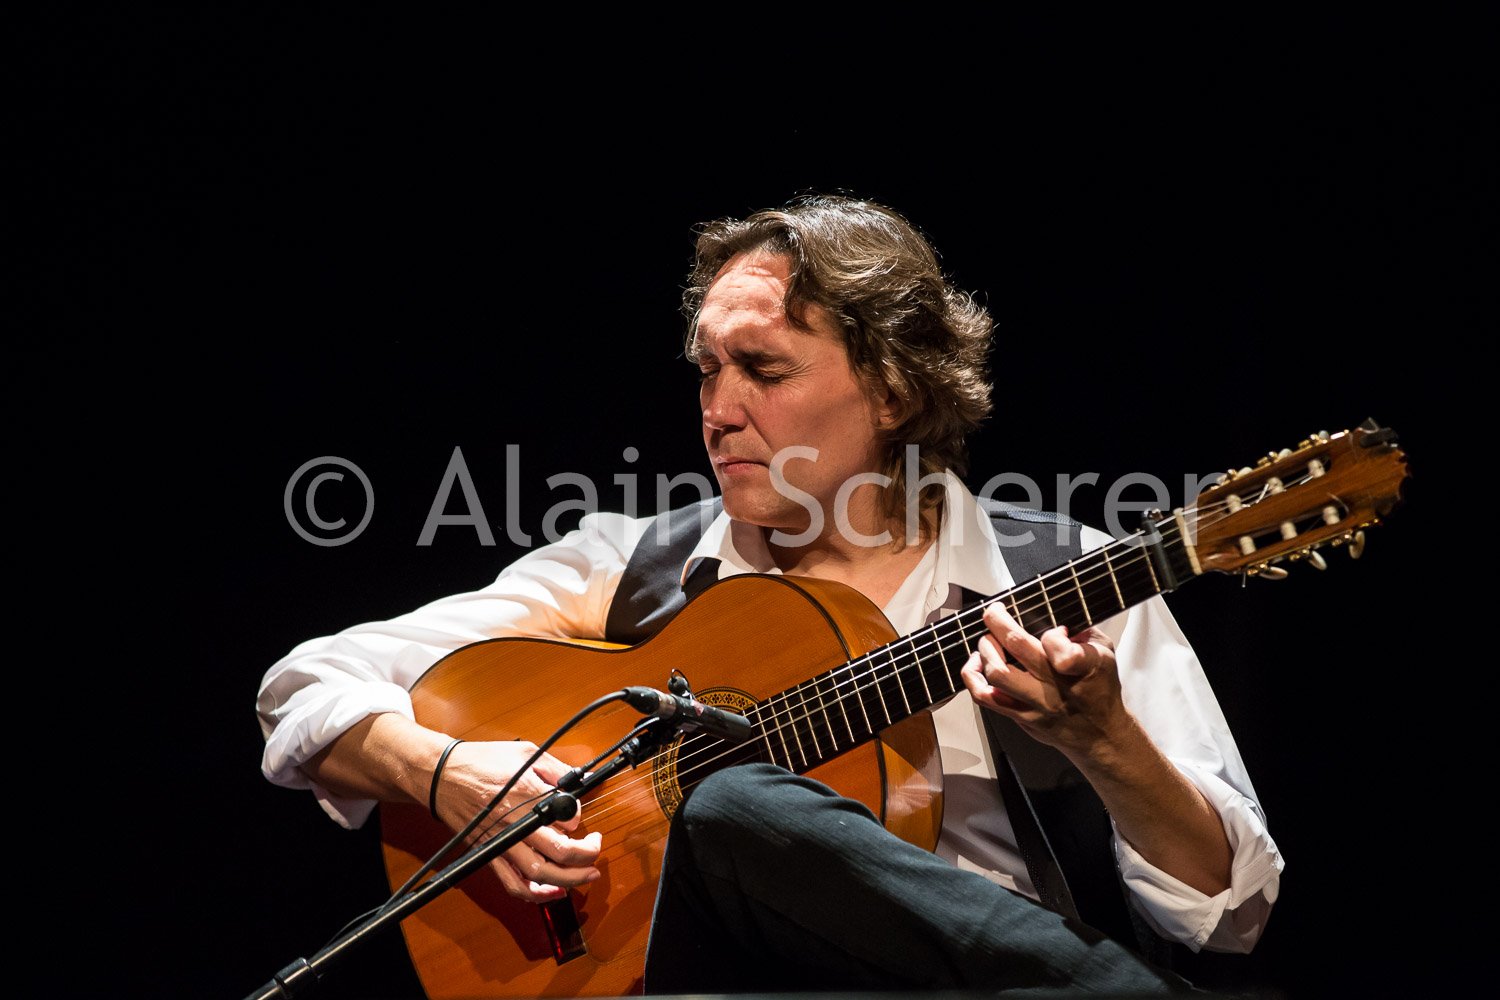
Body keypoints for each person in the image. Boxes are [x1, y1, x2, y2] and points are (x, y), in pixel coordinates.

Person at [257, 195, 1282, 995]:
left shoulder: (1061, 578)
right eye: (707, 369)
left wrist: (1108, 743)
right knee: (734, 805)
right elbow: (307, 685)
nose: (717, 408)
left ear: (895, 389)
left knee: (735, 802)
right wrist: (447, 775)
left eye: (763, 368)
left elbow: (1228, 912)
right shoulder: (632, 569)